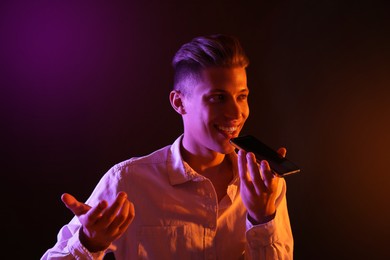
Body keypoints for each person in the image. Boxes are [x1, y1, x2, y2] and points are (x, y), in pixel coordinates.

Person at [42, 34, 294, 259]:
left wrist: (263, 219)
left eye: (242, 96)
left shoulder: (267, 184)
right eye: (218, 98)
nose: (236, 112)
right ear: (179, 103)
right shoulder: (128, 182)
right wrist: (89, 243)